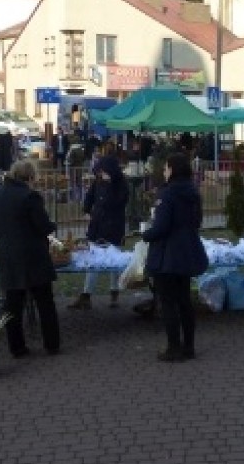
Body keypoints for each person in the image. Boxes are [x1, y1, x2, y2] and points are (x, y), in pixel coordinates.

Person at [0, 159, 60, 358]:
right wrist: (51, 226)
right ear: (30, 177)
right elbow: (42, 226)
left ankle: (17, 347)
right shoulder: (30, 197)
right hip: (32, 255)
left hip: (7, 255)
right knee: (44, 301)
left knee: (13, 305)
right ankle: (52, 343)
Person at [142, 152, 208, 362]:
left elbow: (161, 226)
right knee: (184, 301)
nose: (164, 171)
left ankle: (173, 347)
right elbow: (197, 221)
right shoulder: (193, 192)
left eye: (166, 168)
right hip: (187, 251)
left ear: (172, 169)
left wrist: (146, 234)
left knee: (168, 302)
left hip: (168, 255)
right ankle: (189, 346)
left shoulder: (167, 194)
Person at [68, 155, 129, 310]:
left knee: (114, 260)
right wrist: (87, 210)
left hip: (114, 226)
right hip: (97, 225)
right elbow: (90, 197)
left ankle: (114, 292)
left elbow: (118, 202)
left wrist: (110, 185)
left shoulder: (121, 184)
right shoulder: (98, 182)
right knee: (92, 259)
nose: (100, 175)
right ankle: (86, 294)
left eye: (103, 172)